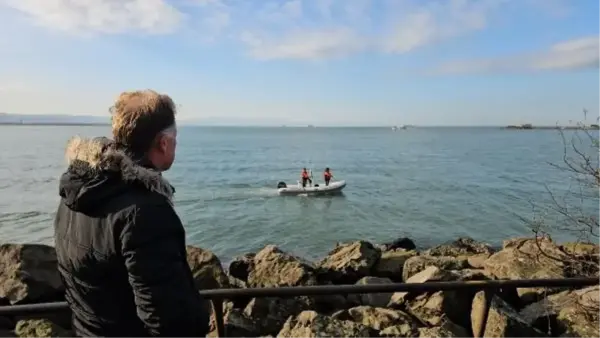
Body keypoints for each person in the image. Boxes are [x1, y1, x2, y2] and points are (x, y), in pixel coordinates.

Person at [53, 89, 210, 337]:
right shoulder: (145, 213)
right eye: (175, 136)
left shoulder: (73, 194)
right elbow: (168, 319)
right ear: (163, 142)